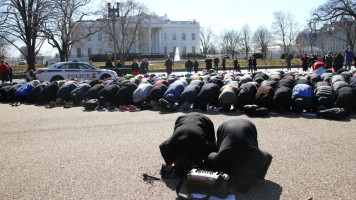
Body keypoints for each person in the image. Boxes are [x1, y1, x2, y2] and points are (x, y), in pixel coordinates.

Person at [207, 118, 272, 193]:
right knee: (219, 149)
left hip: (248, 126)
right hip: (226, 126)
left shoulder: (257, 157)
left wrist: (260, 177)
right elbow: (210, 156)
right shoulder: (222, 158)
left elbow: (269, 157)